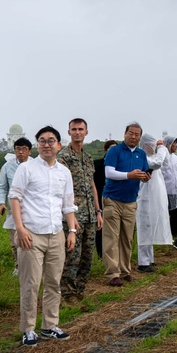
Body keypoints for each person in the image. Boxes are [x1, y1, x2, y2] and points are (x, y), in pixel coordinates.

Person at [9, 126, 78, 346]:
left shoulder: (63, 172)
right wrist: (20, 228)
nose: (46, 145)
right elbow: (15, 198)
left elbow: (68, 205)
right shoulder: (26, 169)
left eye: (51, 141)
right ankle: (28, 328)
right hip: (31, 234)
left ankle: (50, 325)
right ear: (37, 145)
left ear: (59, 144)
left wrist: (72, 231)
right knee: (30, 284)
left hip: (56, 233)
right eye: (42, 141)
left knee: (53, 282)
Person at [56, 119, 102, 302]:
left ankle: (79, 290)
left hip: (90, 214)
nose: (77, 132)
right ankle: (67, 293)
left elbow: (92, 185)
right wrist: (70, 217)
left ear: (86, 132)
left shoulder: (88, 158)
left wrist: (98, 211)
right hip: (73, 215)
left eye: (80, 129)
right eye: (73, 129)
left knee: (87, 256)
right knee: (72, 256)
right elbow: (61, 189)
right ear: (68, 133)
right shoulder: (63, 158)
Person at [102, 122, 150, 286]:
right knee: (111, 238)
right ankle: (112, 273)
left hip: (130, 201)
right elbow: (109, 172)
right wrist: (129, 175)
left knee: (127, 238)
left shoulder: (141, 154)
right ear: (124, 134)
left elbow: (144, 172)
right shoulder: (114, 151)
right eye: (131, 133)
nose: (133, 136)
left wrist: (144, 177)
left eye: (137, 134)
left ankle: (125, 271)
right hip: (112, 199)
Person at [136, 133, 173, 272]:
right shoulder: (143, 158)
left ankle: (149, 259)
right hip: (144, 199)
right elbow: (157, 163)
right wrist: (162, 148)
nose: (153, 147)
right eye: (151, 144)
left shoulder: (152, 157)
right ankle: (143, 263)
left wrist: (162, 149)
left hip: (153, 198)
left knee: (150, 228)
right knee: (144, 229)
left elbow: (165, 162)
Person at [0, 137, 32, 275]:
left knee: (32, 239)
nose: (20, 152)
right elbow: (2, 187)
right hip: (14, 209)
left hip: (31, 209)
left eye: (24, 149)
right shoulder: (8, 166)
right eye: (18, 149)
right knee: (14, 240)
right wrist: (1, 203)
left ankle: (31, 266)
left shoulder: (36, 165)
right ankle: (18, 266)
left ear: (29, 151)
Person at [93, 139, 117, 260]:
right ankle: (101, 255)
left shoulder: (119, 165)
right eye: (110, 149)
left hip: (115, 200)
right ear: (105, 150)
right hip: (100, 199)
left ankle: (113, 254)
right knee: (100, 228)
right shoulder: (97, 164)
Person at [162, 135, 177, 239]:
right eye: (174, 143)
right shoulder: (163, 157)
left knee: (175, 212)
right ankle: (165, 234)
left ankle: (174, 233)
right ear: (169, 144)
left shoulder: (175, 157)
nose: (176, 146)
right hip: (166, 189)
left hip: (175, 189)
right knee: (166, 213)